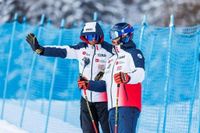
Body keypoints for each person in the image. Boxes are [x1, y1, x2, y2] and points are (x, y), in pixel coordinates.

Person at [26, 21, 113, 133]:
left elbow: (125, 57)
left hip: (104, 100)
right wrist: (41, 50)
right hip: (86, 99)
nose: (92, 39)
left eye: (94, 36)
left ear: (100, 35)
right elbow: (61, 51)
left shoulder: (110, 51)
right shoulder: (81, 49)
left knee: (109, 130)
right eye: (88, 36)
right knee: (88, 130)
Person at [80, 22, 145, 133]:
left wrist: (127, 77)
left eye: (115, 35)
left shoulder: (133, 53)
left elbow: (140, 74)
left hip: (127, 105)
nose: (112, 39)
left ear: (125, 36)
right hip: (112, 107)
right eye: (111, 35)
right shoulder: (112, 59)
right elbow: (105, 84)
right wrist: (88, 84)